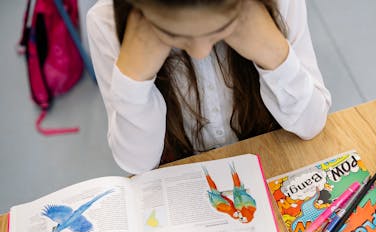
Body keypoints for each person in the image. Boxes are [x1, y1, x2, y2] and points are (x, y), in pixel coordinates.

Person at [87, 0, 331, 174]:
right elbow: (137, 163)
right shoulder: (104, 23)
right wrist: (134, 77)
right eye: (172, 35)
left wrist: (273, 53)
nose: (200, 52)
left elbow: (311, 123)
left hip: (272, 163)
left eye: (220, 30)